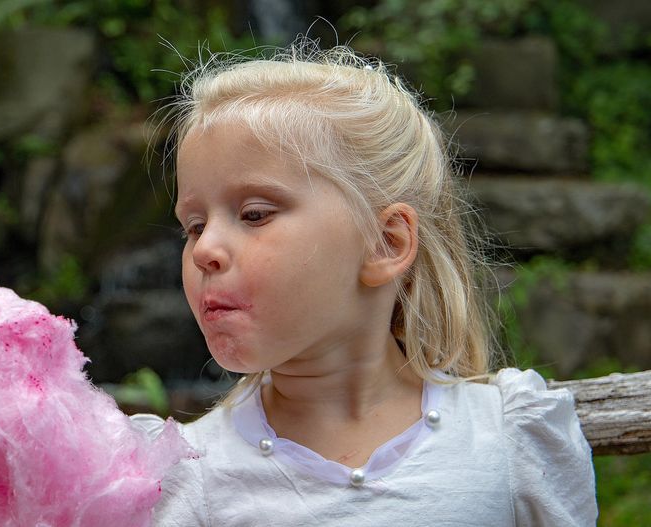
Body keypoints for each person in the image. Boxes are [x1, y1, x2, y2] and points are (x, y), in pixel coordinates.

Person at [132, 42, 598, 526]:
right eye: (194, 226)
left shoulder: (509, 441)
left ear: (385, 243)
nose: (204, 249)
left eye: (254, 214)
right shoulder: (188, 477)